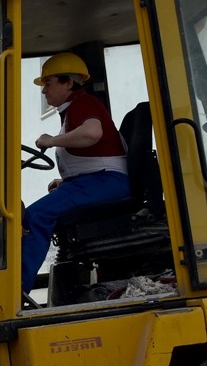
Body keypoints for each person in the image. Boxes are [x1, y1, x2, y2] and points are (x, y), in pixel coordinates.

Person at [20, 52, 128, 295]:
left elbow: (92, 134)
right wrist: (65, 180)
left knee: (36, 216)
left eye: (48, 83)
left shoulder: (83, 103)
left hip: (108, 181)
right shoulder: (72, 109)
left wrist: (51, 140)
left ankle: (17, 290)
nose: (43, 90)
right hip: (96, 180)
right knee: (36, 214)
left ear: (68, 82)